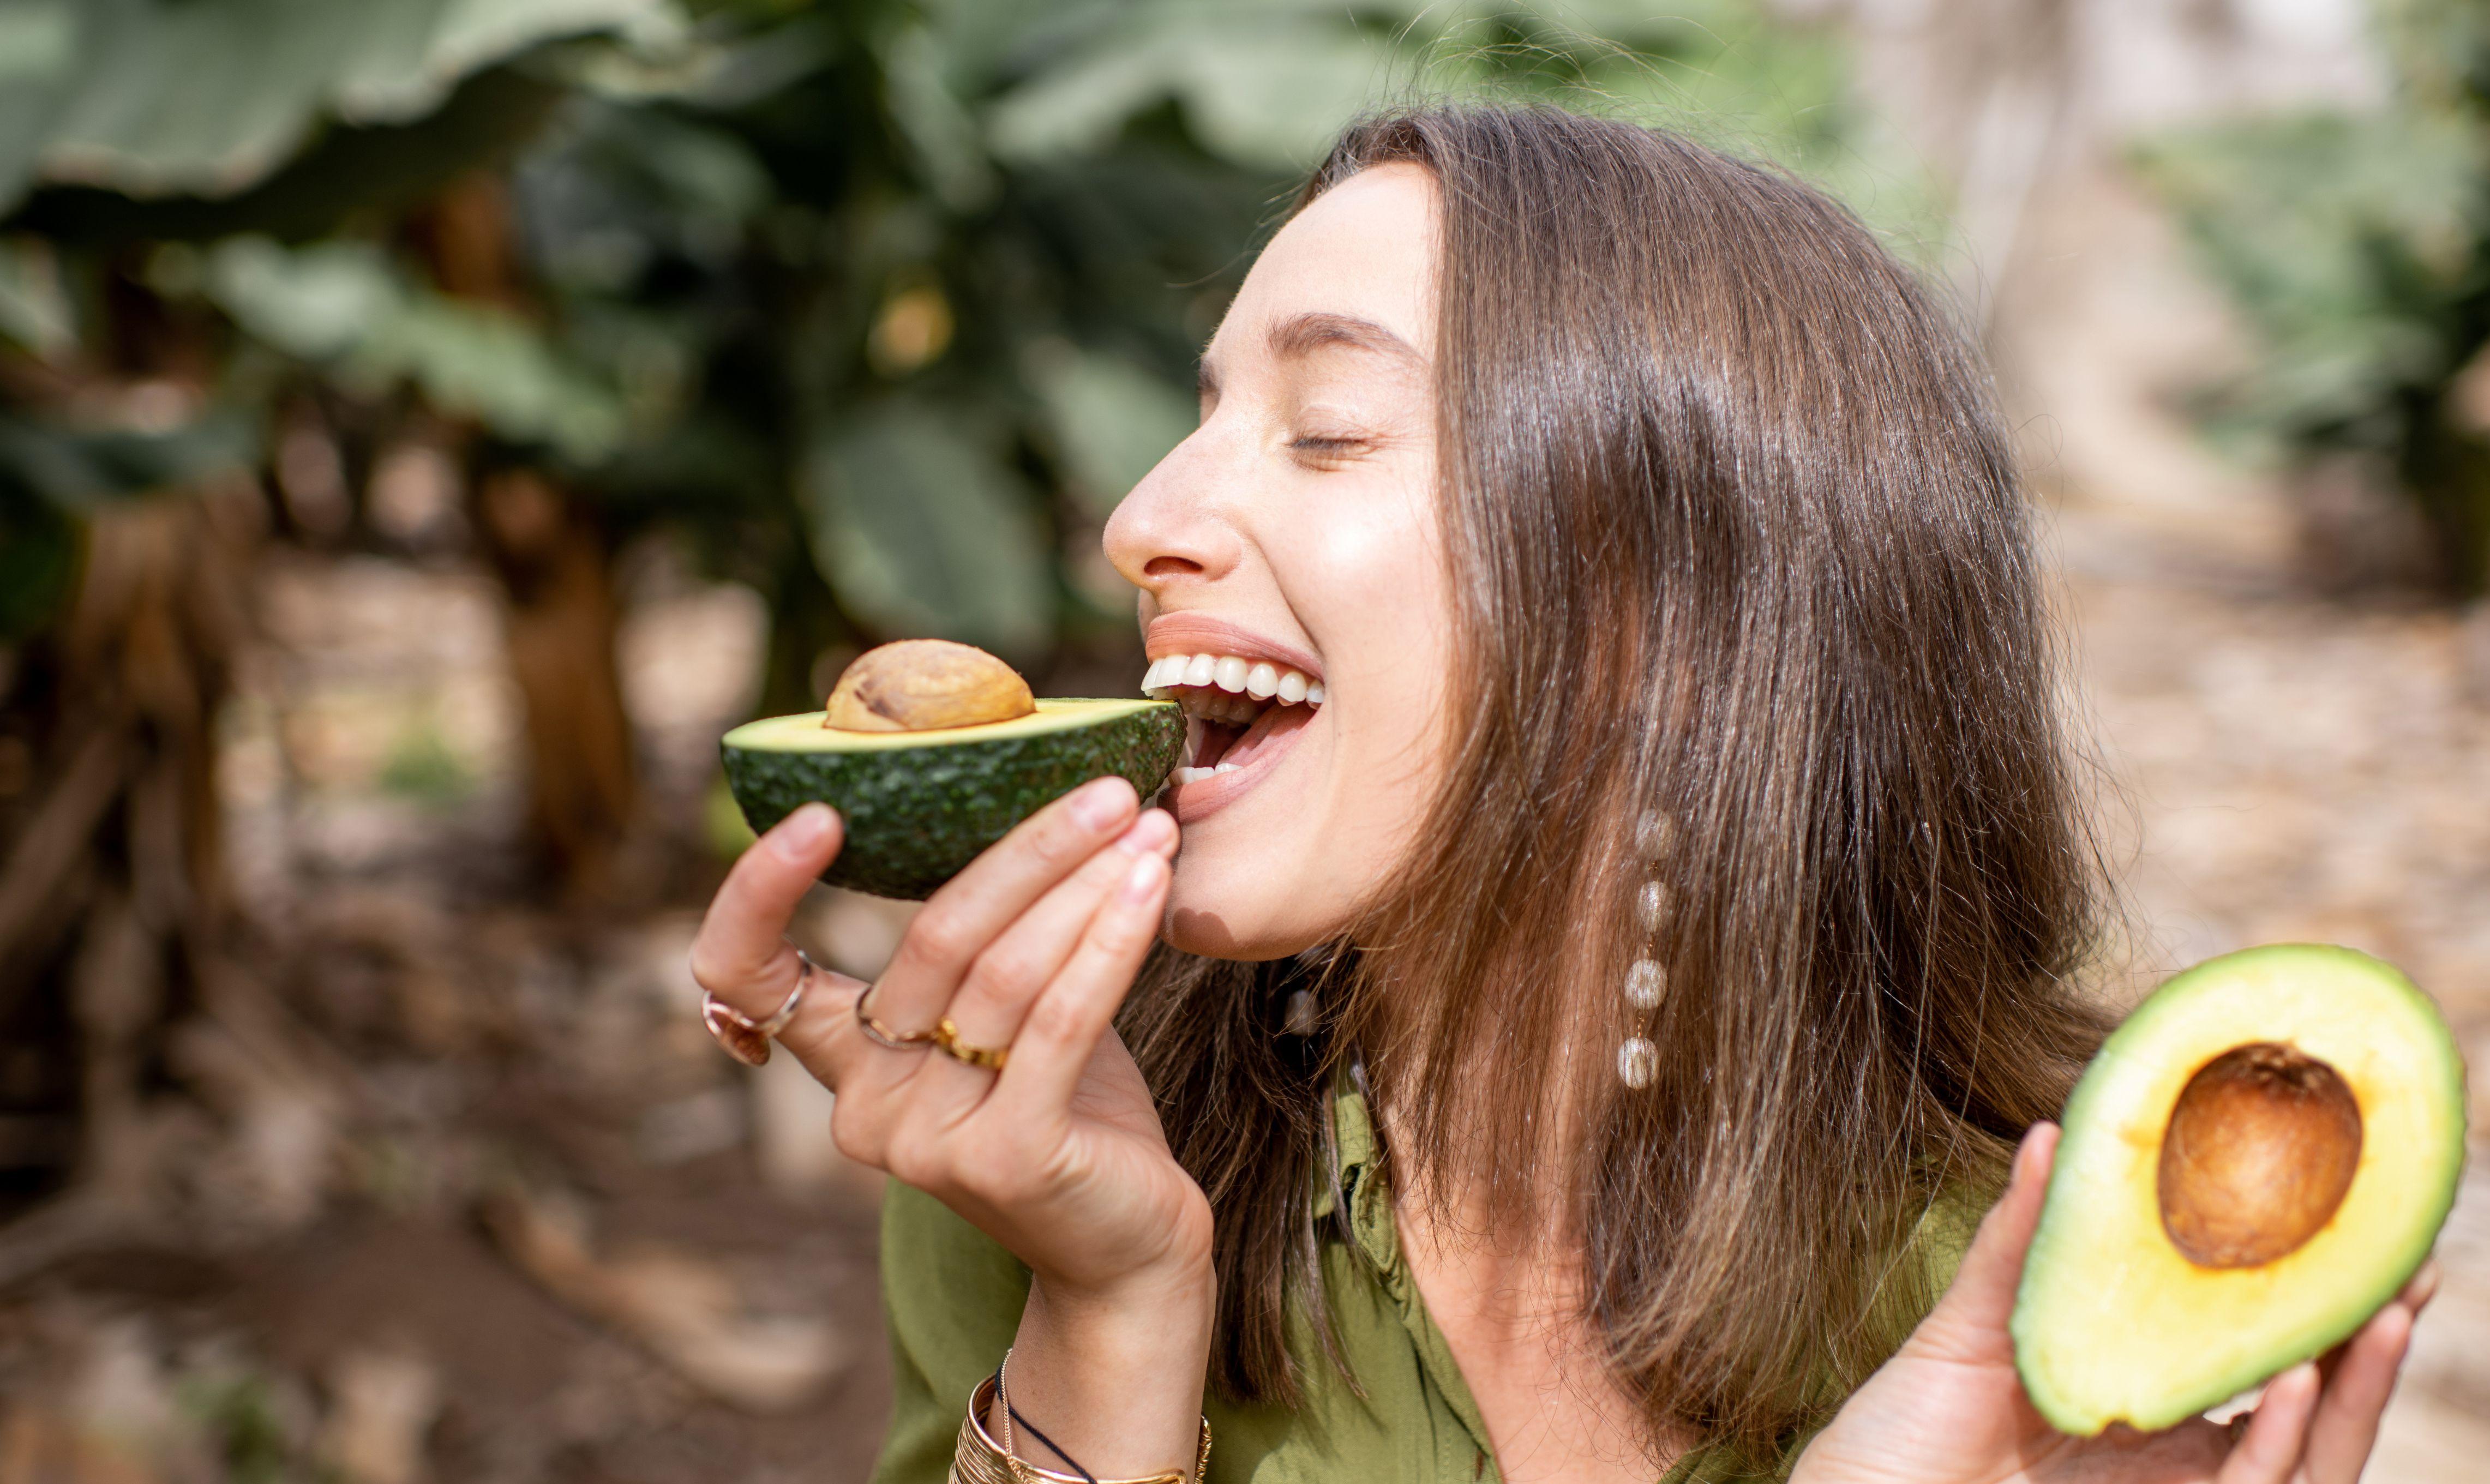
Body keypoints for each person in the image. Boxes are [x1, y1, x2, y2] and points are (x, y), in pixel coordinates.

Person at [689, 104, 2435, 1484]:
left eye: (1328, 428)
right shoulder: (1042, 1157)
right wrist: (1109, 1323)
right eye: (1200, 411)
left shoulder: (2044, 1260)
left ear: (1670, 609)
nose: (1138, 516)